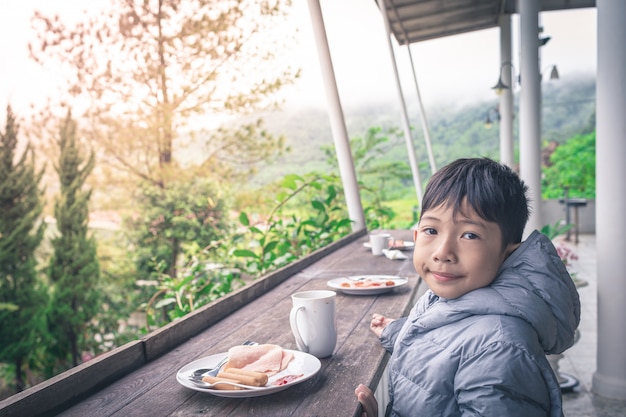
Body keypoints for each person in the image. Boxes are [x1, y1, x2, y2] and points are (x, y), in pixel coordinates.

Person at [355, 157, 581, 417]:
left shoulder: (499, 350)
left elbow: (473, 344)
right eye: (431, 230)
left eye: (470, 235)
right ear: (416, 237)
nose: (442, 252)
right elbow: (447, 336)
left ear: (507, 255)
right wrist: (397, 330)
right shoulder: (458, 296)